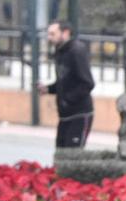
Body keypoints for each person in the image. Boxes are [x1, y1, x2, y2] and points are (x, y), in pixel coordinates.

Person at [41, 20, 95, 149]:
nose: (49, 38)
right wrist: (48, 89)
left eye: (53, 34)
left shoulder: (77, 51)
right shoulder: (60, 52)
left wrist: (68, 99)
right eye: (48, 34)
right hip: (64, 116)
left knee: (72, 156)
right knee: (60, 154)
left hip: (80, 114)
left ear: (65, 33)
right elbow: (63, 81)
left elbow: (87, 83)